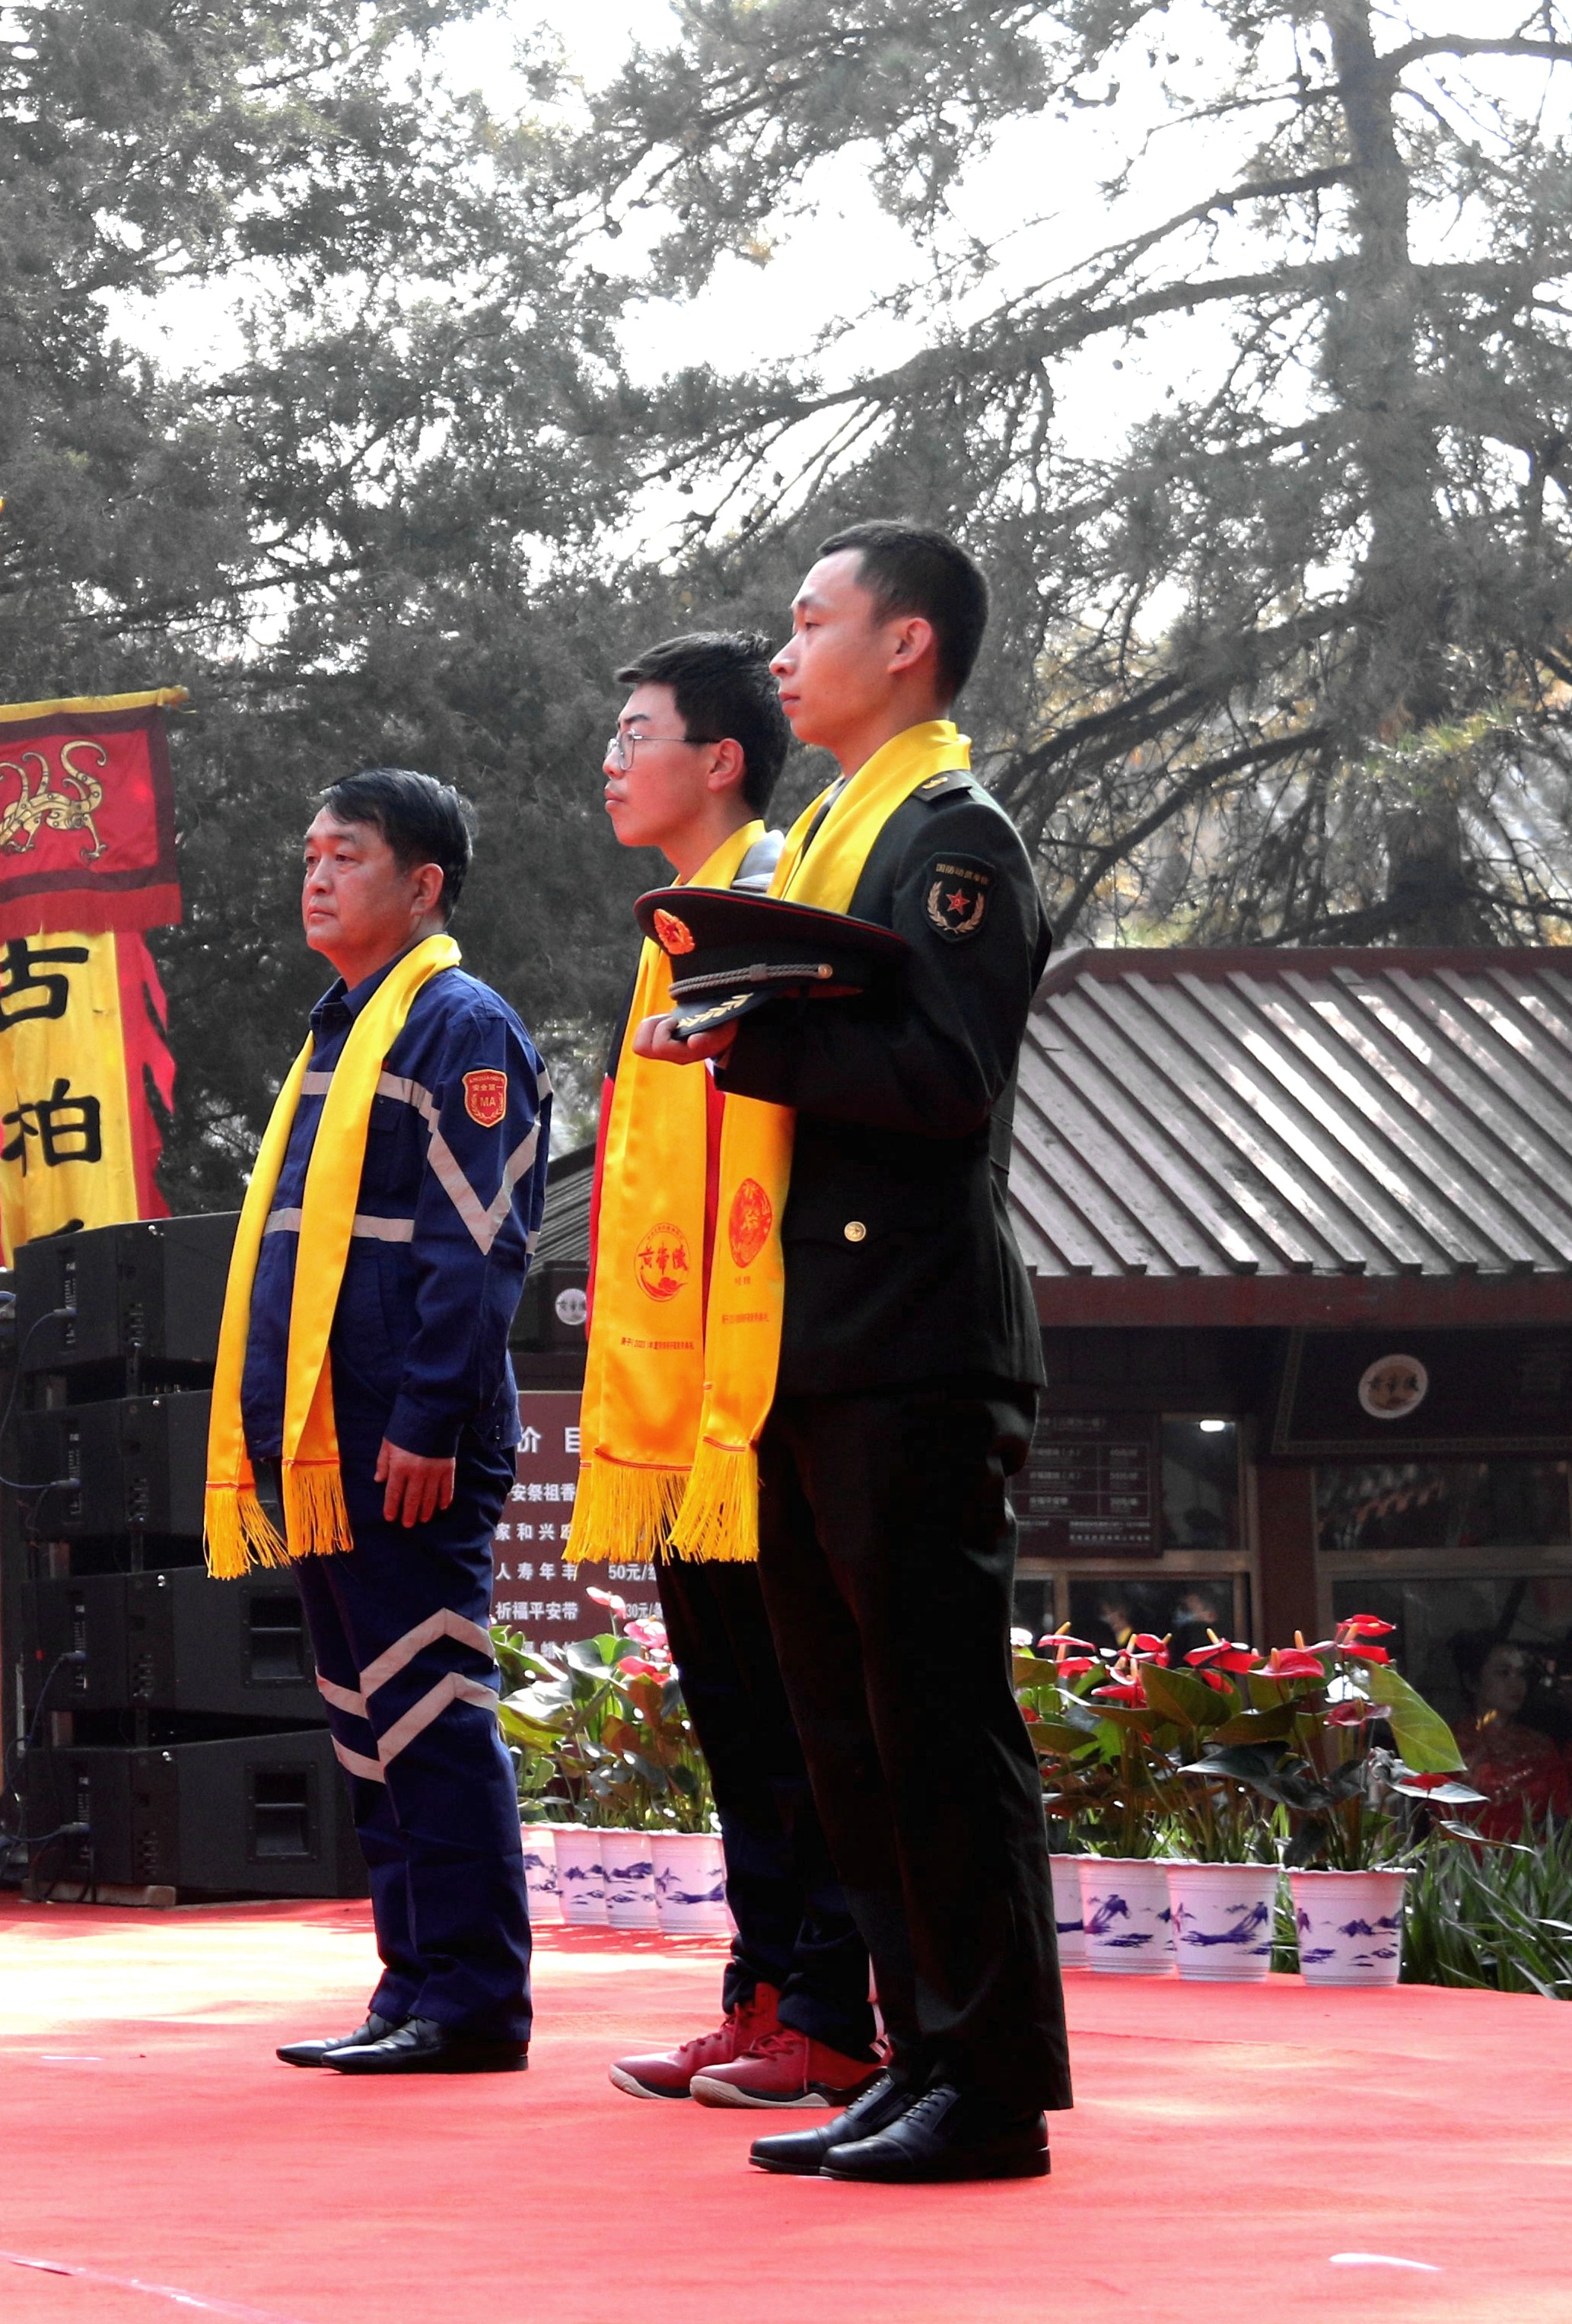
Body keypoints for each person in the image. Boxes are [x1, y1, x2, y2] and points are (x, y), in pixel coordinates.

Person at [634, 522, 1068, 2182]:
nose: (787, 644)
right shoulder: (816, 838)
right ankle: (917, 2051)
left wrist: (758, 1032)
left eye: (813, 622)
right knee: (849, 1732)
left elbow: (948, 1081)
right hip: (805, 1342)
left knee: (937, 1720)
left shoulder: (949, 837)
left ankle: (994, 2083)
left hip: (912, 1339)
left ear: (907, 647)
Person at [573, 635, 882, 2114]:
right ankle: (760, 1995)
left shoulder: (779, 899)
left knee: (800, 1711)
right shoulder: (671, 929)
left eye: (637, 732)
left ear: (721, 760)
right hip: (677, 1405)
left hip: (758, 1393)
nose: (611, 758)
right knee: (734, 1715)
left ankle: (828, 2004)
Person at [210, 767, 550, 2079]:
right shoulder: (336, 1031)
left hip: (406, 1436)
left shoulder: (461, 1026)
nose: (315, 873)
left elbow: (478, 1246)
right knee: (369, 1719)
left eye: (345, 854)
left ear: (424, 884)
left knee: (431, 1705)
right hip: (323, 1442)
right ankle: (412, 1982)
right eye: (308, 852)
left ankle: (471, 1999)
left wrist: (424, 1413)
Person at [1458, 1638, 1572, 1842]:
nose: (1516, 1683)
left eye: (1521, 1674)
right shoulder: (1448, 1745)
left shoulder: (1540, 1746)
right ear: (1472, 1681)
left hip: (1533, 1863)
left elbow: (1563, 1813)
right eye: (1503, 1673)